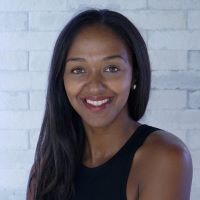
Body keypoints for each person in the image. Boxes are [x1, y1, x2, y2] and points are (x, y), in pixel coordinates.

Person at [26, 8, 193, 200]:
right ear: (62, 79)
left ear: (135, 75)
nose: (95, 86)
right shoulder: (46, 170)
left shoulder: (164, 157)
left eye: (111, 68)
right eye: (78, 69)